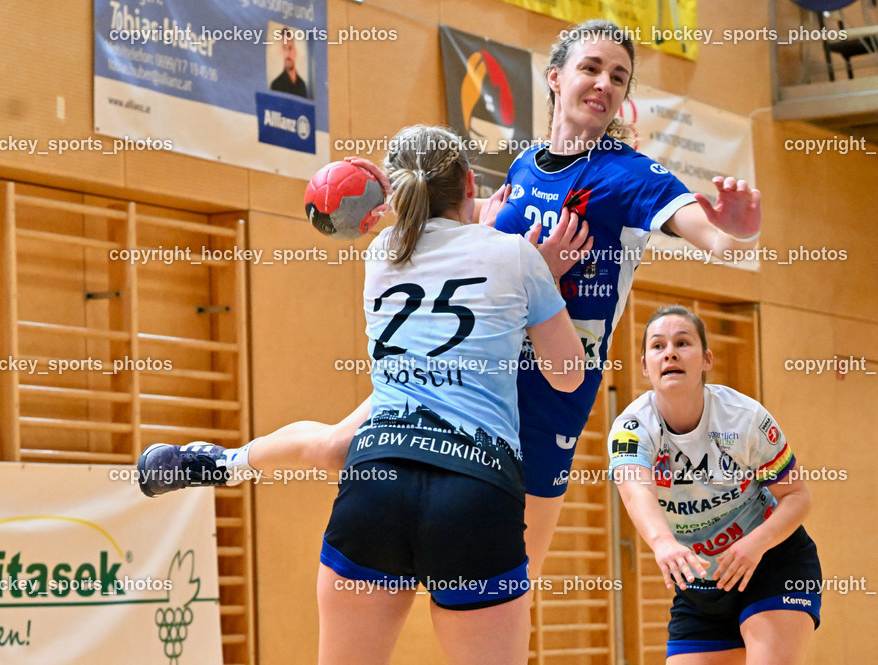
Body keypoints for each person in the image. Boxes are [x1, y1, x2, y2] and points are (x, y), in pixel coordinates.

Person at [137, 19, 764, 578]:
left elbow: (711, 236)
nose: (604, 83)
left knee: (518, 576)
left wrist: (734, 231)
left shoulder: (630, 176)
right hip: (465, 364)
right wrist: (453, 225)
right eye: (591, 68)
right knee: (334, 448)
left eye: (618, 77)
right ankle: (220, 462)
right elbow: (472, 242)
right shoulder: (523, 167)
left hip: (550, 389)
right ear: (555, 78)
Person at [146, 125, 585, 665]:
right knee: (333, 443)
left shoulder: (382, 252)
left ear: (398, 192)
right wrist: (540, 279)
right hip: (472, 488)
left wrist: (469, 228)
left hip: (379, 478)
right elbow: (567, 377)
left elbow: (437, 241)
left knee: (334, 445)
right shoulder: (516, 257)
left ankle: (226, 462)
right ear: (470, 183)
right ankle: (225, 462)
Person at [609, 305, 820, 665]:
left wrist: (755, 544)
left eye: (682, 343)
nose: (670, 353)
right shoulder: (632, 428)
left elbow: (797, 497)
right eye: (658, 346)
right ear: (644, 365)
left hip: (772, 563)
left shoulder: (744, 417)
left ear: (707, 358)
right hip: (701, 586)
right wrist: (662, 542)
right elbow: (635, 489)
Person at [269, 29, 308, 98]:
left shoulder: (302, 85)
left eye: (290, 48)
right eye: (284, 48)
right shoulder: (275, 86)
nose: (287, 54)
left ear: (295, 52)